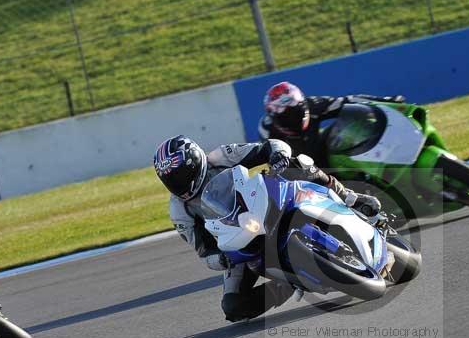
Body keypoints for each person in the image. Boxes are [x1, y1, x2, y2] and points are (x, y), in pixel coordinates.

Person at [153, 135, 381, 322]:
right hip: (238, 238)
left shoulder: (221, 156)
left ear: (195, 162)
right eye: (170, 180)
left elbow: (269, 146)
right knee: (233, 307)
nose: (177, 184)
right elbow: (204, 252)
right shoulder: (179, 210)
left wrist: (278, 156)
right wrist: (221, 259)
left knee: (298, 163)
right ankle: (286, 284)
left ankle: (349, 198)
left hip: (263, 201)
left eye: (180, 175)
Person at [258, 81, 405, 165]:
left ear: (302, 105)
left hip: (320, 153)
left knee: (345, 129)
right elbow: (268, 161)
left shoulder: (313, 105)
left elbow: (349, 101)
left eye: (295, 111)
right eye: (285, 115)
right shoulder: (267, 129)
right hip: (296, 168)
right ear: (274, 116)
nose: (292, 119)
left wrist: (386, 101)